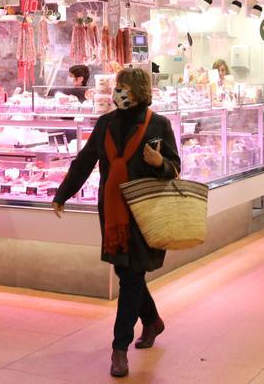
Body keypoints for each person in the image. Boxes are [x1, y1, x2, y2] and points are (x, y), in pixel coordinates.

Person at [53, 67, 181, 378]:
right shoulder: (105, 123)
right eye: (117, 87)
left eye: (124, 87)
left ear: (138, 91)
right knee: (128, 272)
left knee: (131, 276)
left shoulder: (158, 124)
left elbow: (175, 167)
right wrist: (62, 194)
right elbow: (85, 161)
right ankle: (152, 321)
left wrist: (159, 163)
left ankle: (119, 349)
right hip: (112, 211)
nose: (118, 92)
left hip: (142, 211)